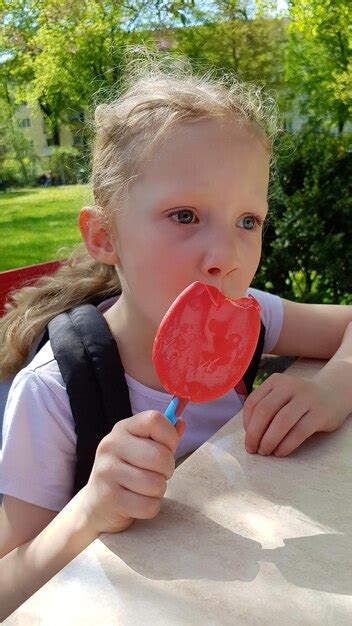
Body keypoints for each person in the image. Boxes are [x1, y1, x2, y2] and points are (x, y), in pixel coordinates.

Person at [1, 57, 352, 619]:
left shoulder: (250, 315)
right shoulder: (55, 392)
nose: (227, 258)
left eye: (248, 221)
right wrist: (90, 508)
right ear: (104, 235)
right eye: (185, 214)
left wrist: (334, 387)